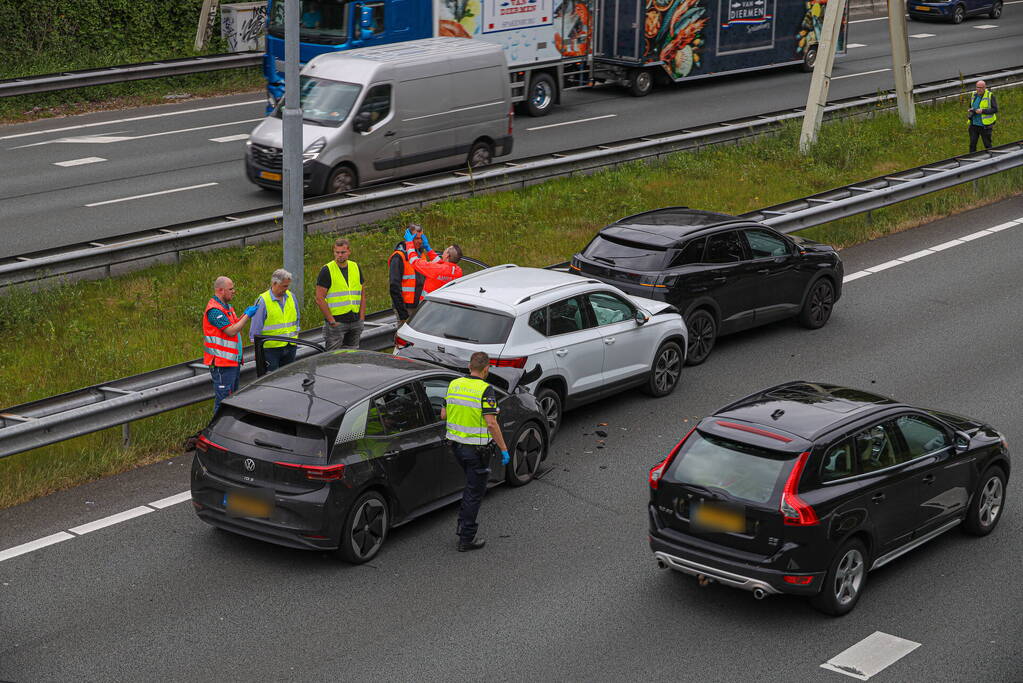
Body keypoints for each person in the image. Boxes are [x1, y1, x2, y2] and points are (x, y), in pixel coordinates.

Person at [442, 351, 510, 552]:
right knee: (474, 492)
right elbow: (491, 423)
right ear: (487, 369)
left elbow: (444, 413)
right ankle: (466, 538)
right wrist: (504, 449)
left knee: (470, 487)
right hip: (477, 451)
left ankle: (463, 526)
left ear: (469, 366)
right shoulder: (485, 389)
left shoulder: (454, 384)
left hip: (456, 447)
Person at [203, 276, 256, 413]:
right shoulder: (214, 311)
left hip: (232, 362)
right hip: (222, 364)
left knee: (231, 401)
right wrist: (247, 316)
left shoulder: (227, 308)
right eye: (231, 289)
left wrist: (244, 314)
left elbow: (235, 325)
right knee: (223, 403)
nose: (234, 291)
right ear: (220, 290)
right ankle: (217, 432)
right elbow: (231, 331)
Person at [315, 237, 365, 350]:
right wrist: (332, 321)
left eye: (343, 252)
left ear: (349, 252)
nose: (340, 255)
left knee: (351, 358)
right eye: (337, 252)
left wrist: (361, 318)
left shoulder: (355, 267)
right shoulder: (327, 270)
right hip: (337, 323)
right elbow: (319, 298)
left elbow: (362, 293)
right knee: (333, 359)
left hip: (355, 321)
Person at [249, 268, 299, 373]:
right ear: (274, 283)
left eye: (288, 285)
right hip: (271, 350)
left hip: (290, 346)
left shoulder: (291, 297)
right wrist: (257, 351)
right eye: (284, 286)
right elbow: (256, 328)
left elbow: (297, 318)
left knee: (288, 378)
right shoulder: (263, 301)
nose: (287, 288)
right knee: (272, 380)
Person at [388, 223, 438, 324]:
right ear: (409, 239)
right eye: (416, 238)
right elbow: (394, 287)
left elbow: (439, 268)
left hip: (420, 305)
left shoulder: (420, 255)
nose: (420, 241)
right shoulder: (399, 257)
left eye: (421, 238)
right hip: (406, 308)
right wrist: (402, 313)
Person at [968, 80, 998, 152]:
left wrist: (983, 111)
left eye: (981, 88)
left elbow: (995, 109)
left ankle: (991, 160)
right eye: (978, 87)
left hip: (985, 126)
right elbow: (971, 106)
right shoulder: (973, 95)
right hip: (974, 125)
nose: (979, 89)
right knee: (972, 145)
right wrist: (971, 110)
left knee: (987, 145)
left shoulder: (990, 95)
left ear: (985, 87)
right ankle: (972, 160)